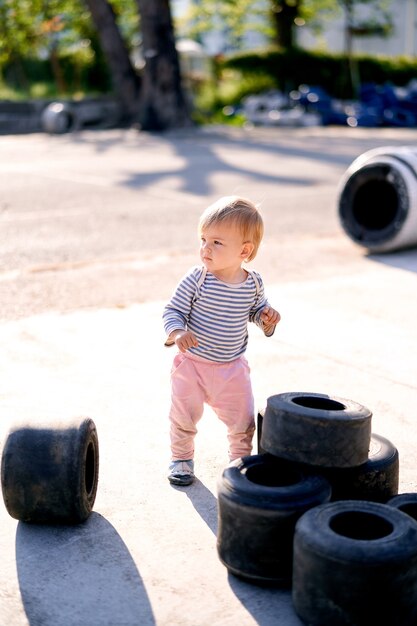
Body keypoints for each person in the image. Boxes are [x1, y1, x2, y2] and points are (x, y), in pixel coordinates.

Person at [163, 196, 280, 486]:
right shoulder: (198, 278)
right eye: (203, 239)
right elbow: (173, 310)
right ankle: (181, 459)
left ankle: (239, 465)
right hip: (192, 366)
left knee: (243, 423)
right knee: (183, 417)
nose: (205, 248)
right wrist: (177, 332)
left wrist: (265, 318)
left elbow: (255, 311)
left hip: (231, 369)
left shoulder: (253, 283)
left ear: (244, 250)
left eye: (216, 242)